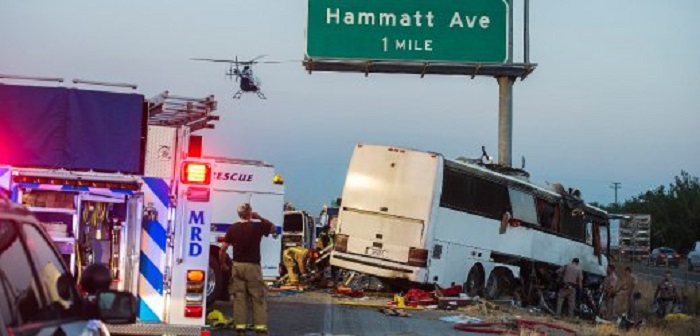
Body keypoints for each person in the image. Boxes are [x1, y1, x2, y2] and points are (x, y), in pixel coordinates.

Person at [219, 203, 278, 335]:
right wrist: (260, 217)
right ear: (250, 213)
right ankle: (260, 330)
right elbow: (273, 229)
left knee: (239, 298)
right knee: (258, 298)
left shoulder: (232, 228)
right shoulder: (257, 226)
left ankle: (240, 329)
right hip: (253, 268)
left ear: (239, 214)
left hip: (237, 267)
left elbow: (223, 248)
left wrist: (223, 264)